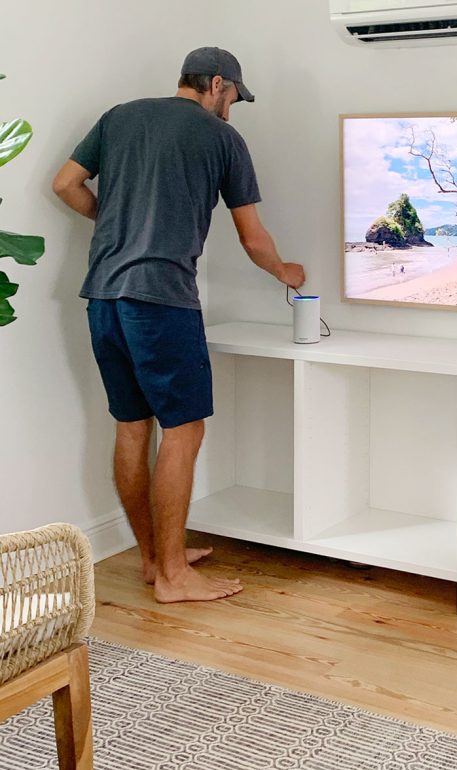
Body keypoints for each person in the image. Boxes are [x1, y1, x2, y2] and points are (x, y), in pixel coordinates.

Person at [52, 47, 305, 604]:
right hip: (162, 302)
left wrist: (112, 217)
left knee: (131, 427)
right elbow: (253, 238)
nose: (231, 111)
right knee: (184, 431)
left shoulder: (119, 117)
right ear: (216, 83)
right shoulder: (222, 139)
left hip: (103, 296)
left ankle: (153, 560)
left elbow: (65, 184)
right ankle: (173, 575)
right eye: (232, 97)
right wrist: (286, 272)